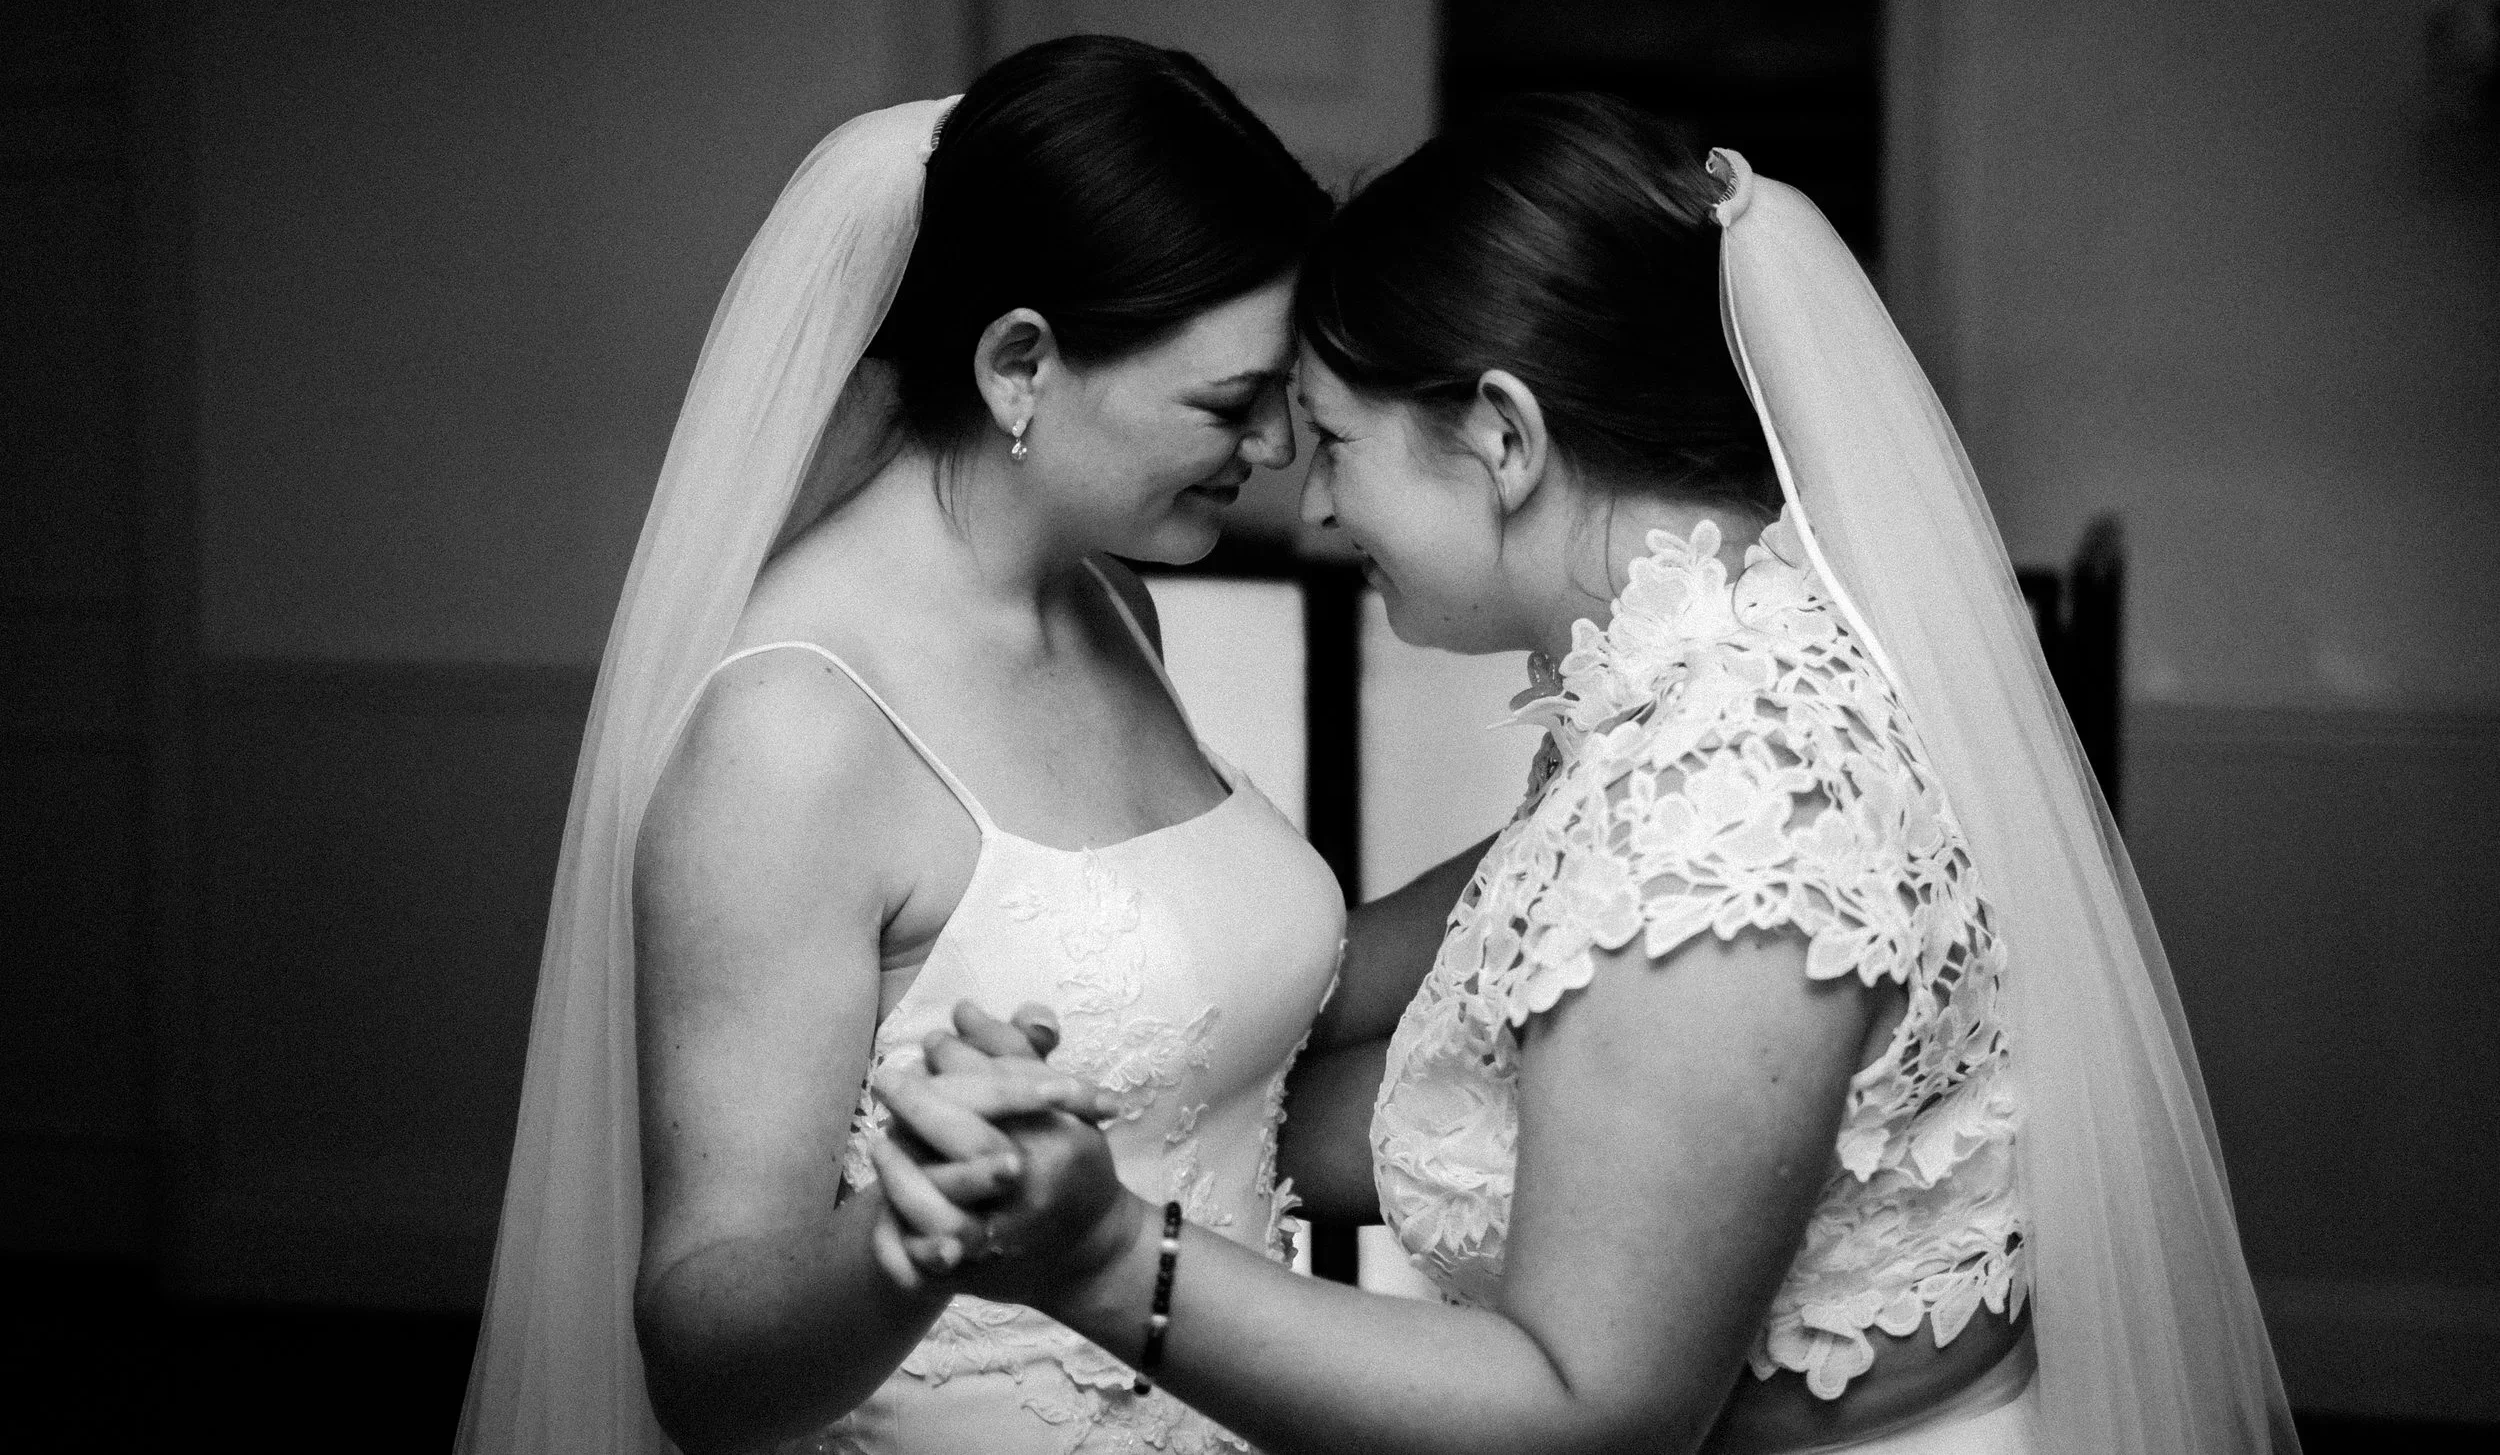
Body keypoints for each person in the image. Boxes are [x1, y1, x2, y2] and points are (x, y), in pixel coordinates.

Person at [872, 95, 2299, 1454]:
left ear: (1502, 435)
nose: (1308, 503)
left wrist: (1113, 1258)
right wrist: (1143, 1001)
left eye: (1338, 441)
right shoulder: (1695, 680)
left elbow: (1592, 1415)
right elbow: (1452, 997)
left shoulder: (1730, 800)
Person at [455, 35, 1347, 1455]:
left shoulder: (1110, 599)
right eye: (1230, 401)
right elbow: (701, 1353)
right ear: (1020, 363)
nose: (1285, 445)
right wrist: (907, 1235)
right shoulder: (794, 731)